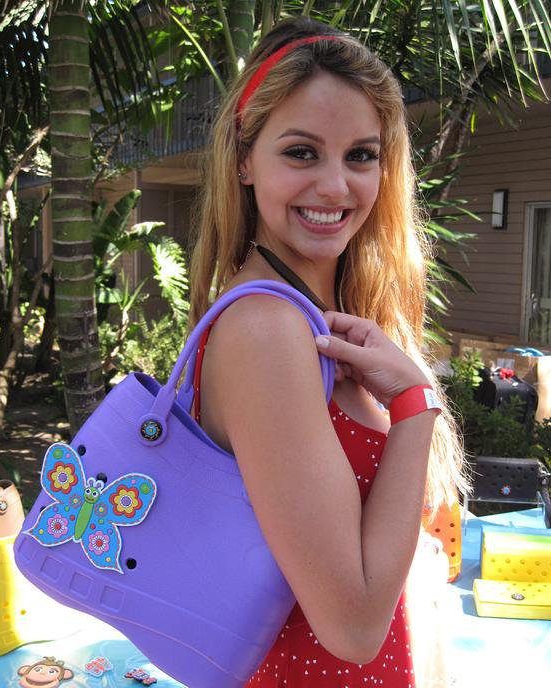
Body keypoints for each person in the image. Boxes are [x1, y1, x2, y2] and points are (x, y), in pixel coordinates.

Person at [188, 16, 467, 688]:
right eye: (303, 152)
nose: (336, 187)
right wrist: (416, 404)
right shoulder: (265, 329)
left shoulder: (325, 322)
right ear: (245, 161)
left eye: (361, 155)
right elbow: (351, 628)